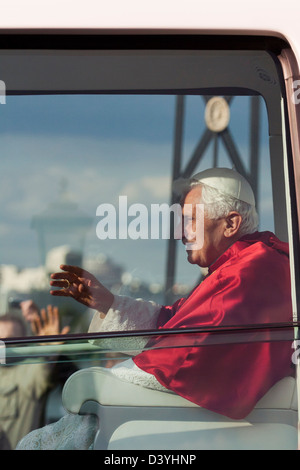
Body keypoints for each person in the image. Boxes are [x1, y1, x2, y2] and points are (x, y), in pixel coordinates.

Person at [17, 167, 294, 449]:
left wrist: (105, 383)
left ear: (231, 223)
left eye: (191, 220)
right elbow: (177, 324)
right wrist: (108, 303)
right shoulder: (241, 263)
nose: (181, 233)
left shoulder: (251, 269)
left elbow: (187, 355)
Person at [0, 304, 72, 449]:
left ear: (23, 342)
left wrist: (49, 351)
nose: (4, 346)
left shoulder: (30, 369)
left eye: (11, 340)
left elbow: (45, 368)